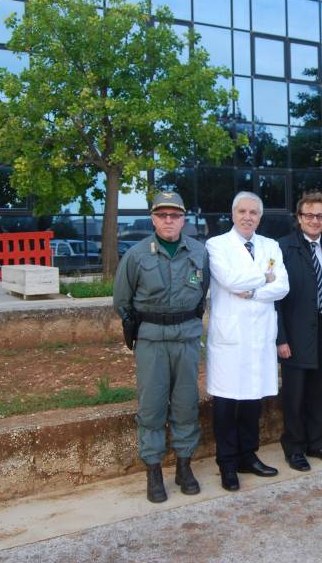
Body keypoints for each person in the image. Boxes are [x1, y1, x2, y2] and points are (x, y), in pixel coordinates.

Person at [113, 191, 209, 503]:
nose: (169, 221)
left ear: (184, 219)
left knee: (185, 404)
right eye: (162, 215)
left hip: (186, 340)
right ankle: (153, 471)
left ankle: (184, 466)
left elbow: (203, 291)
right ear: (153, 218)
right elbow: (122, 301)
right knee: (152, 407)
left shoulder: (199, 252)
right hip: (152, 341)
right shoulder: (137, 255)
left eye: (175, 215)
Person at [206, 192, 290, 491]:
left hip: (259, 336)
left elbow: (283, 286)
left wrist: (255, 288)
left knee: (253, 399)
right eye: (242, 211)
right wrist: (264, 278)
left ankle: (247, 456)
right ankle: (227, 463)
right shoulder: (216, 245)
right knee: (227, 403)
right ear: (232, 214)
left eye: (254, 212)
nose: (247, 217)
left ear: (260, 216)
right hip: (231, 336)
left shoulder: (271, 245)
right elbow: (230, 280)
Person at [276, 192, 322, 472]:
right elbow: (275, 300)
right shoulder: (283, 248)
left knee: (320, 392)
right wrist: (280, 338)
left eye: (319, 216)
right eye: (309, 215)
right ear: (299, 218)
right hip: (294, 335)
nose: (314, 221)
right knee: (295, 395)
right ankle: (293, 446)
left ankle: (315, 442)